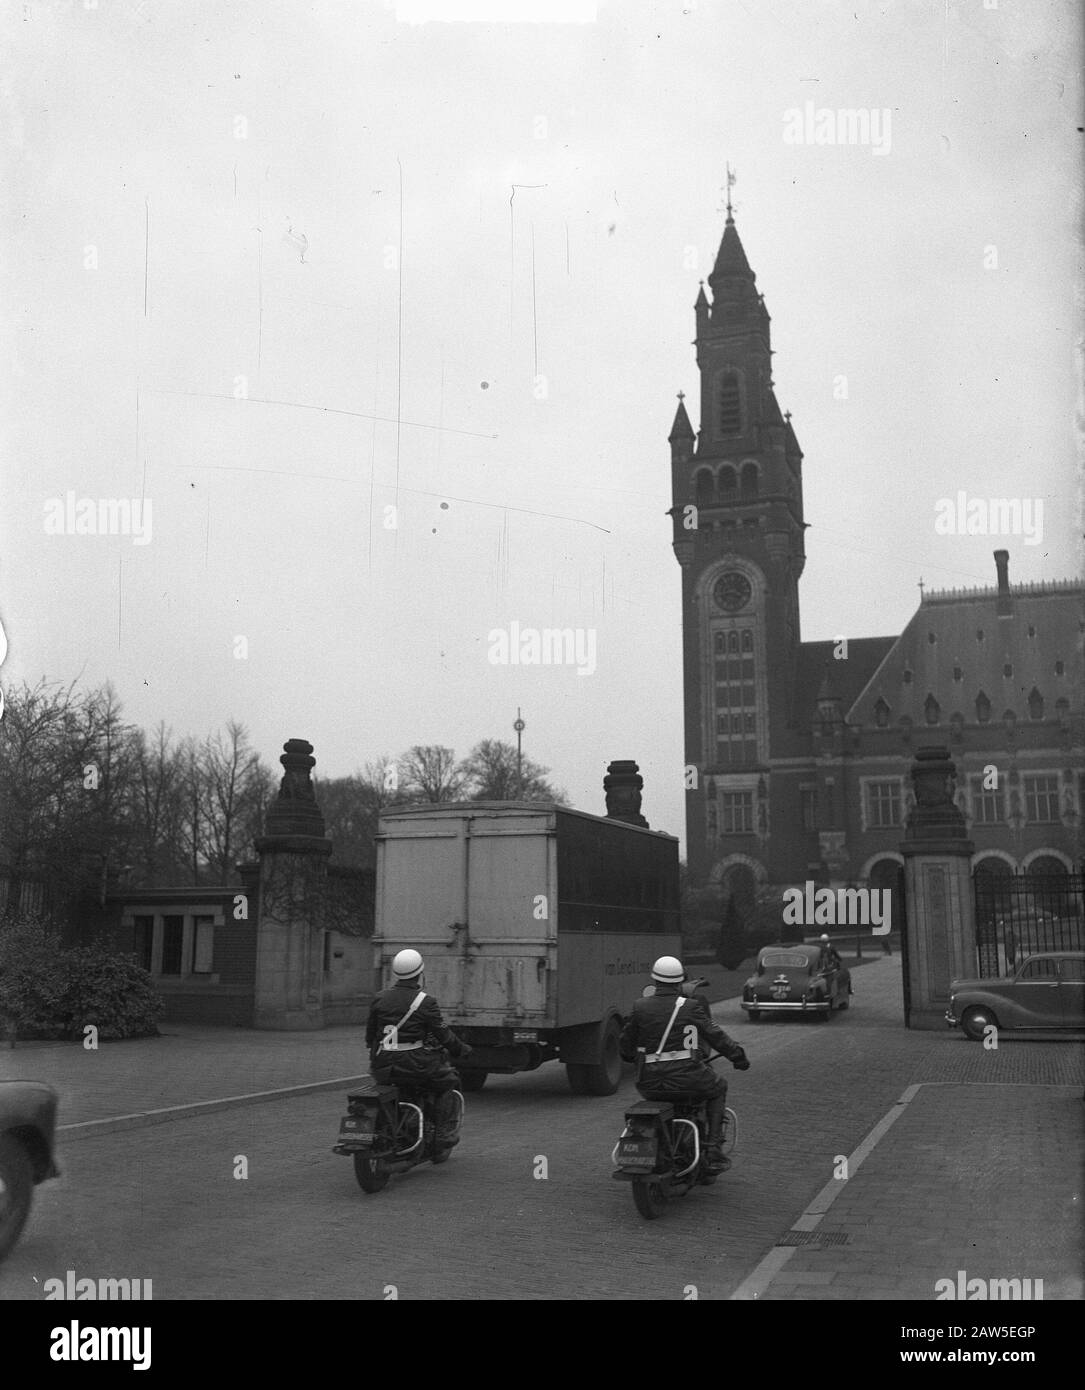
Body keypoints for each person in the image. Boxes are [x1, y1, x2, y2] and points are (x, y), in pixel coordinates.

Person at [619, 956, 749, 1173]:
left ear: (655, 980)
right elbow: (716, 1036)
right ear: (679, 982)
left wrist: (629, 1056)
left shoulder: (640, 1006)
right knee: (719, 1087)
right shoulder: (691, 1007)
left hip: (649, 1083)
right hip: (689, 1079)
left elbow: (626, 1042)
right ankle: (713, 1148)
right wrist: (738, 1056)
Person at [365, 949, 471, 1146]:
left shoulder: (379, 998)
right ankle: (441, 1132)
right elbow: (443, 1034)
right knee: (448, 1080)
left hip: (383, 1066)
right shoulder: (425, 1001)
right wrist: (461, 1049)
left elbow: (370, 1035)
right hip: (415, 1064)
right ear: (420, 973)